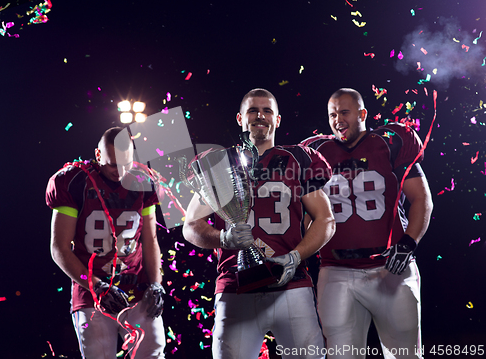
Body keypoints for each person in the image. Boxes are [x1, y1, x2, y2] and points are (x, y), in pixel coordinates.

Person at [183, 88, 336, 359]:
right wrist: (223, 239)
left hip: (292, 284)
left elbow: (326, 219)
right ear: (240, 118)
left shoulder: (299, 159)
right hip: (235, 286)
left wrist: (294, 257)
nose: (260, 116)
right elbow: (190, 226)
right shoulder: (219, 163)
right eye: (253, 110)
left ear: (277, 120)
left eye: (267, 111)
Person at [301, 88, 433, 359]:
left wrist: (408, 243)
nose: (338, 119)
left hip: (390, 267)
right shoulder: (316, 151)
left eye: (344, 112)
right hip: (336, 270)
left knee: (405, 356)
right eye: (332, 114)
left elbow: (422, 199)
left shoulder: (390, 141)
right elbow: (306, 216)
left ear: (362, 113)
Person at [46, 127, 166, 359]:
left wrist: (157, 283)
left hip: (137, 290)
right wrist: (96, 285)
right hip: (92, 293)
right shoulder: (74, 181)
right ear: (98, 155)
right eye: (113, 165)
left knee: (153, 353)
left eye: (126, 163)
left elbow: (150, 239)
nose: (120, 172)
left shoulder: (144, 181)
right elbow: (59, 248)